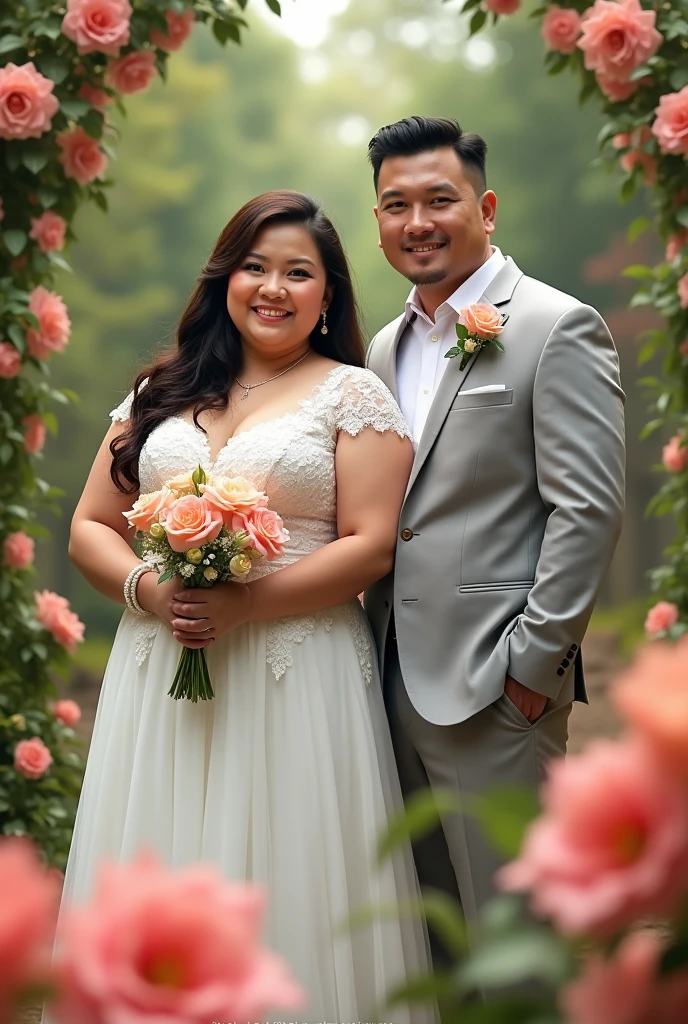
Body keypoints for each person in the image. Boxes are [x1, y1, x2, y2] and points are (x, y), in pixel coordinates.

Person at [60, 190, 435, 1023]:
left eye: (298, 272)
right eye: (255, 267)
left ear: (328, 294)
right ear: (225, 279)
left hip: (294, 671)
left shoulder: (353, 395)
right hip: (160, 667)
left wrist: (245, 605)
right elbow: (89, 525)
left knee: (288, 876)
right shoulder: (160, 389)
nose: (274, 287)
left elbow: (370, 545)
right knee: (160, 862)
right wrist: (153, 591)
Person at [364, 116, 626, 932]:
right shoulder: (382, 347)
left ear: (487, 207)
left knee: (515, 945)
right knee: (433, 944)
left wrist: (532, 668)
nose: (418, 223)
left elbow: (587, 507)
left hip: (497, 691)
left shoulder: (556, 326)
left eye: (440, 199)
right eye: (395, 204)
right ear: (376, 220)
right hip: (387, 682)